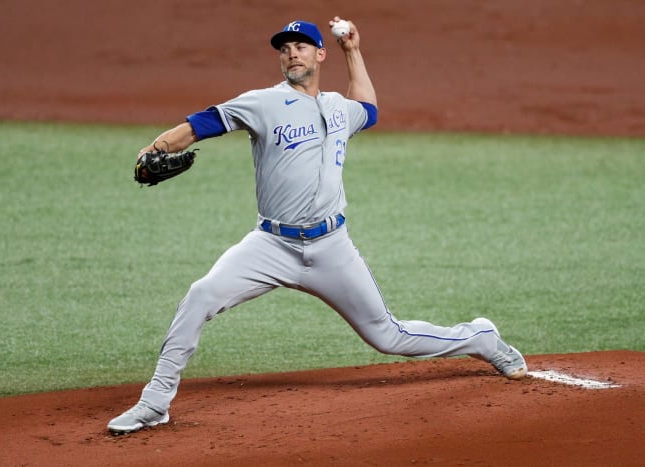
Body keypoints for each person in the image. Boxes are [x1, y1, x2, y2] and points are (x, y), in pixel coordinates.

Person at [107, 17, 527, 434]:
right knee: (200, 296)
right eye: (285, 47)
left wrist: (353, 52)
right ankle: (155, 402)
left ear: (319, 54)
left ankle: (481, 339)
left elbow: (369, 109)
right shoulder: (262, 102)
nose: (292, 52)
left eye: (302, 45)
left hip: (331, 247)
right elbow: (200, 124)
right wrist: (156, 147)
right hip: (270, 245)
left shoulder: (338, 109)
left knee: (388, 337)